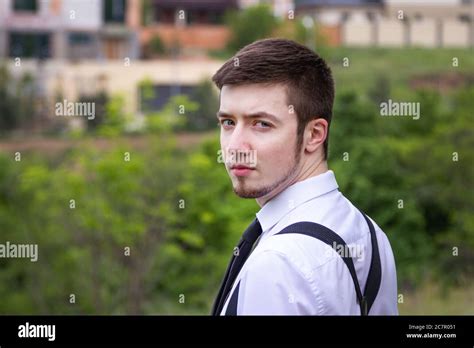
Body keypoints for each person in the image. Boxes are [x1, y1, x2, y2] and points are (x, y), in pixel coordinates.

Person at [211, 38, 398, 315]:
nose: (235, 147)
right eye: (228, 122)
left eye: (261, 124)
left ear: (314, 134)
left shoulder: (276, 264)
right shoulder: (369, 232)